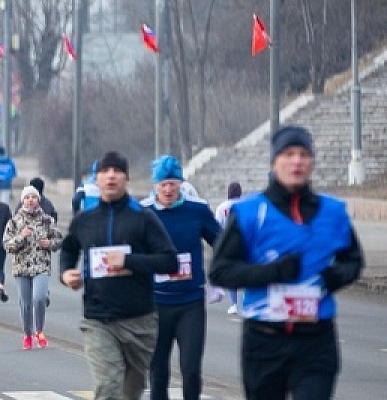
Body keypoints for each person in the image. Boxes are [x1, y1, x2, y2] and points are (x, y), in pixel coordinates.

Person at [208, 126, 363, 400]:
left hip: (316, 340)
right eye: (288, 154)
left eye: (304, 154)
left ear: (312, 162)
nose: (296, 161)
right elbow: (220, 271)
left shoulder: (333, 211)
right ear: (274, 162)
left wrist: (336, 276)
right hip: (265, 340)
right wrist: (273, 272)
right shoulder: (249, 212)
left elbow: (354, 259)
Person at [59, 151, 178, 400]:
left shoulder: (143, 217)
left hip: (139, 321)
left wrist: (129, 261)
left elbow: (169, 261)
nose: (111, 176)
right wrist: (66, 273)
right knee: (108, 386)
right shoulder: (85, 220)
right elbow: (69, 248)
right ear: (97, 179)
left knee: (131, 391)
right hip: (98, 319)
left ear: (126, 179)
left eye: (117, 171)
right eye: (105, 171)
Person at [138, 155, 220, 400]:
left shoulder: (197, 210)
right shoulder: (144, 213)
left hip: (190, 303)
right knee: (158, 371)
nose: (168, 189)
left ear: (181, 184)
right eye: (163, 184)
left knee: (191, 369)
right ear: (155, 186)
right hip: (156, 303)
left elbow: (223, 242)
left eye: (173, 183)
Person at [3, 185, 63, 349]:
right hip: (21, 267)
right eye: (27, 197)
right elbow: (7, 245)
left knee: (39, 297)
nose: (30, 200)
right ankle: (28, 334)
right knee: (26, 302)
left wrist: (48, 243)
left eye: (33, 197)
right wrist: (21, 237)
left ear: (38, 200)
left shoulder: (47, 220)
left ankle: (40, 330)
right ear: (23, 200)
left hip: (41, 266)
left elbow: (59, 241)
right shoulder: (15, 221)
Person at [212, 182, 244, 315]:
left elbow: (216, 226)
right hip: (244, 242)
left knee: (232, 273)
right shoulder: (245, 205)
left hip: (228, 244)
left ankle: (234, 304)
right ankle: (247, 302)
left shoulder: (222, 207)